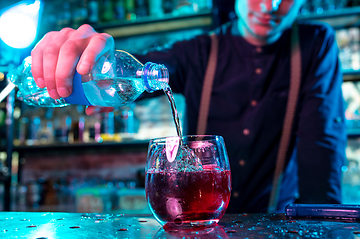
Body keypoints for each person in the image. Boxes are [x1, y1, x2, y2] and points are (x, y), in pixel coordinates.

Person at [30, 0, 347, 213]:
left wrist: (326, 223)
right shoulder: (198, 50)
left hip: (276, 219)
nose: (270, 6)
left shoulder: (314, 44)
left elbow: (323, 142)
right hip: (202, 221)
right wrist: (91, 57)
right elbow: (142, 71)